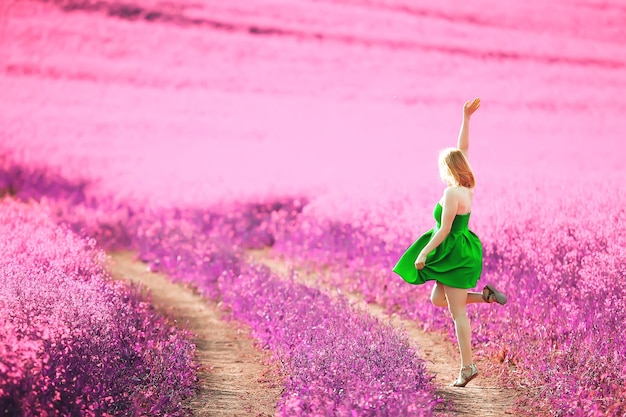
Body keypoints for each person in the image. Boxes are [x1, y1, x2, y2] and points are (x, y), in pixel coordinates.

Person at [392, 97, 507, 388]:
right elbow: (463, 150)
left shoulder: (453, 193)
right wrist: (466, 119)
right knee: (437, 300)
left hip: (453, 251)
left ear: (449, 168)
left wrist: (423, 252)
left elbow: (443, 231)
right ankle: (486, 297)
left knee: (458, 315)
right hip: (462, 247)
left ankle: (467, 367)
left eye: (443, 165)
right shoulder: (467, 187)